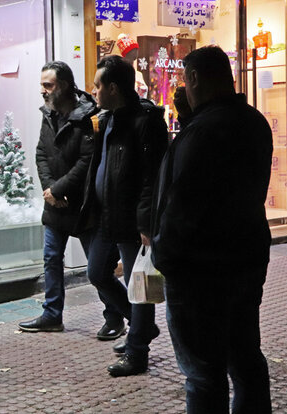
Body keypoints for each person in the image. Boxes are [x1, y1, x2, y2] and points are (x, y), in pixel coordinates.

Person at [151, 46, 272, 413]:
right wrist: (191, 119)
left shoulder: (203, 132)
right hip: (245, 259)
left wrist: (164, 255)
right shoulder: (252, 121)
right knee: (245, 356)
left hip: (200, 270)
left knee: (203, 371)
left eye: (184, 81)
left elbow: (185, 202)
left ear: (194, 79)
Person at [80, 55, 168, 376]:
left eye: (97, 85)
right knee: (96, 273)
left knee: (138, 285)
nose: (93, 91)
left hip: (132, 221)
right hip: (105, 216)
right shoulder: (108, 119)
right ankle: (140, 326)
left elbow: (152, 177)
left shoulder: (146, 121)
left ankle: (137, 352)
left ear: (113, 88)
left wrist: (146, 222)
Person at [17, 61, 102, 332]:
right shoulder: (49, 114)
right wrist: (50, 190)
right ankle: (52, 314)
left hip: (82, 204)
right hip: (55, 203)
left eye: (48, 85)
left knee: (98, 267)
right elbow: (41, 153)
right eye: (42, 85)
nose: (42, 91)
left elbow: (87, 161)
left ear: (64, 86)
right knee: (51, 258)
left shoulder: (88, 116)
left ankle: (114, 316)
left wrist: (58, 189)